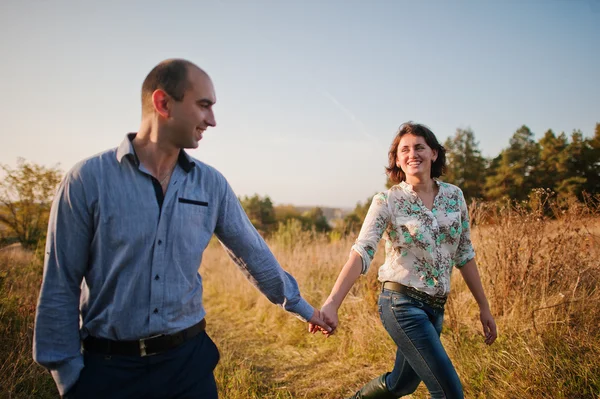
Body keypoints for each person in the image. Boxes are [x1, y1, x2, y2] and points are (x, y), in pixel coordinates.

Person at [33, 58, 332, 399]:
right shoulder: (86, 181)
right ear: (163, 103)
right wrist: (70, 379)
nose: (213, 120)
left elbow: (254, 256)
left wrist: (306, 310)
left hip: (188, 366)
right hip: (108, 372)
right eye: (204, 105)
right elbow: (60, 285)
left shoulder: (211, 185)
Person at [310, 122, 497, 399]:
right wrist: (332, 303)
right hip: (401, 304)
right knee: (449, 393)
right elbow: (362, 251)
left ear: (433, 153)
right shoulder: (387, 200)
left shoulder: (454, 197)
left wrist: (484, 307)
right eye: (404, 150)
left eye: (419, 147)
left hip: (435, 307)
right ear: (397, 160)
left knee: (402, 384)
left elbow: (465, 254)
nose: (413, 154)